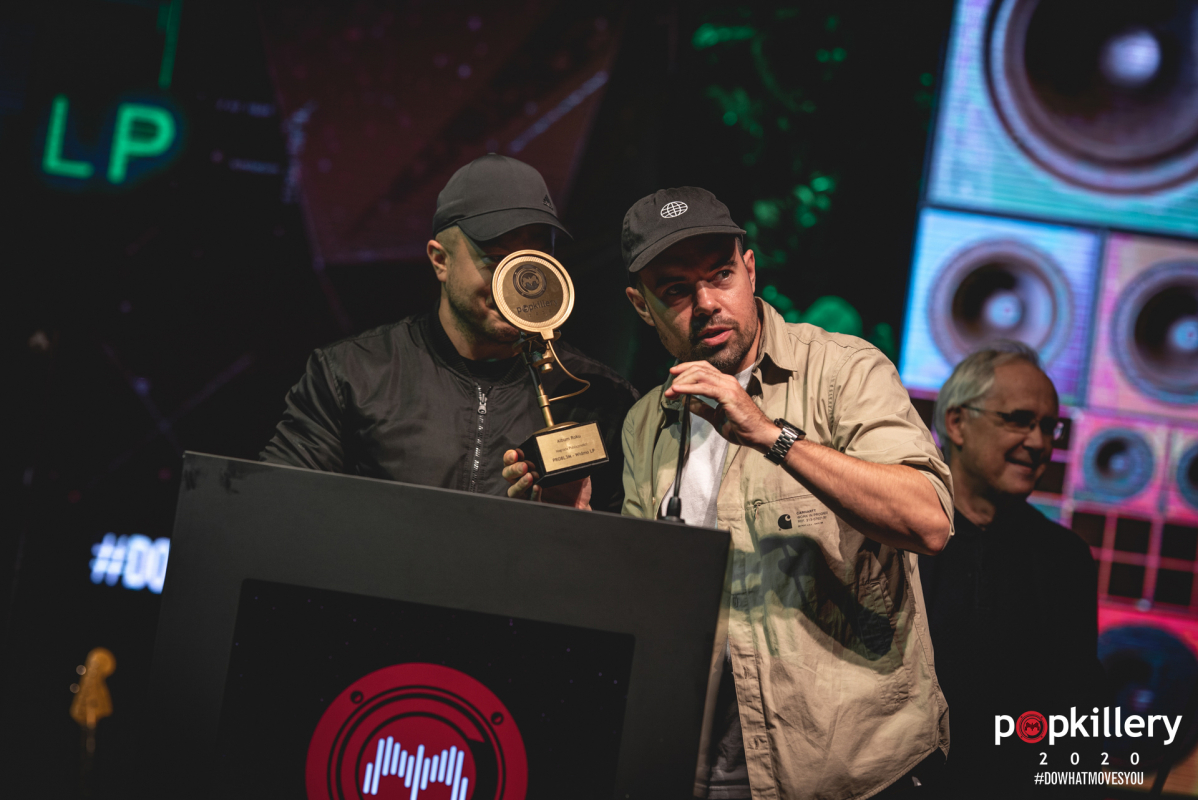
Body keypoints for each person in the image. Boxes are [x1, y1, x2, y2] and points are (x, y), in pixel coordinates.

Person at [506, 187, 954, 798]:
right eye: (676, 290)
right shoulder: (646, 421)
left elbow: (928, 521)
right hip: (701, 769)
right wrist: (574, 519)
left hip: (854, 775)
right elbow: (640, 602)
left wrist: (770, 434)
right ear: (641, 307)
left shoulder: (844, 371)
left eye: (720, 275)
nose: (708, 304)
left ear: (750, 268)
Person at [261, 154, 636, 510]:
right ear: (440, 260)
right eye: (496, 260)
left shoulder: (601, 398)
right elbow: (276, 505)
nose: (517, 285)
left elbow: (630, 544)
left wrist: (577, 522)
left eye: (532, 260)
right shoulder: (352, 374)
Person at [918, 343, 1103, 798]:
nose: (1039, 443)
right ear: (957, 423)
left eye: (1049, 427)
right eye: (1019, 420)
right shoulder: (894, 535)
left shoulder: (1065, 559)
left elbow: (1077, 715)